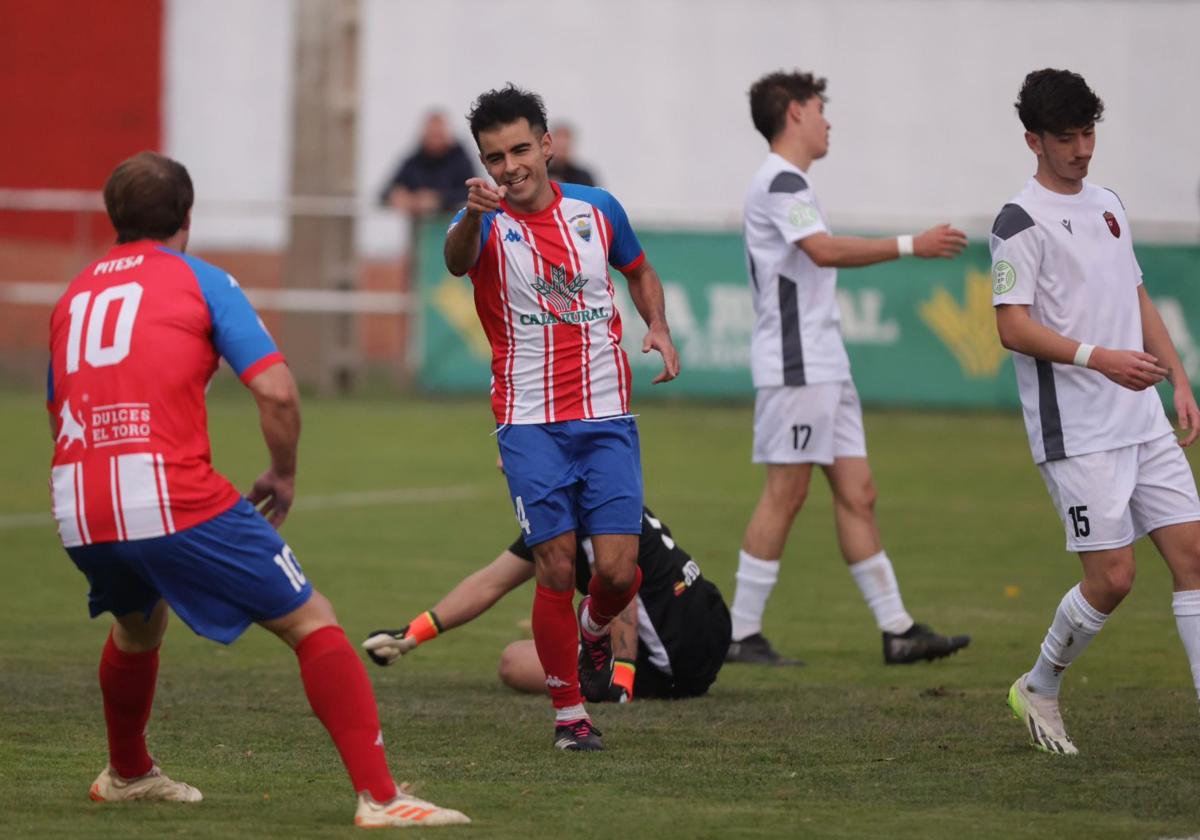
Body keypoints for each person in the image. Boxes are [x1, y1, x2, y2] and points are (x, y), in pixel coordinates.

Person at [47, 151, 468, 827]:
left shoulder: (73, 295)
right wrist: (284, 473)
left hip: (77, 501)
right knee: (312, 619)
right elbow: (276, 393)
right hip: (167, 493)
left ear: (113, 218)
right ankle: (383, 799)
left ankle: (127, 773)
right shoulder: (202, 280)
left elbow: (61, 404)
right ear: (187, 217)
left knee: (138, 622)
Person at [443, 84, 680, 751]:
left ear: (547, 146)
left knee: (614, 573)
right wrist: (468, 216)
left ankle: (595, 628)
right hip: (527, 422)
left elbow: (638, 270)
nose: (510, 165)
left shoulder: (597, 210)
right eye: (495, 157)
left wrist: (656, 323)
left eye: (520, 148)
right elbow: (456, 262)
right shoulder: (483, 222)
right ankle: (570, 716)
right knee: (552, 564)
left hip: (607, 417)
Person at [727, 70, 971, 667]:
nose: (827, 120)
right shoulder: (780, 180)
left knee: (859, 493)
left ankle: (898, 630)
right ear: (793, 113)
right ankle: (739, 632)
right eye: (819, 108)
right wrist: (913, 244)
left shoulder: (792, 182)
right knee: (786, 493)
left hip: (823, 364)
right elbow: (823, 250)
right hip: (797, 363)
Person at [992, 69, 1200, 755]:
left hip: (1141, 418)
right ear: (1033, 140)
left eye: (1088, 133)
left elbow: (1136, 297)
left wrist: (1179, 381)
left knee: (1194, 555)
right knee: (1113, 579)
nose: (1082, 149)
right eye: (1066, 137)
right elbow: (1012, 328)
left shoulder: (1108, 202)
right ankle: (1041, 684)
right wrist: (1100, 357)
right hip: (1077, 433)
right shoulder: (1018, 222)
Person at [363, 506, 731, 702]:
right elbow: (491, 581)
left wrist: (621, 680)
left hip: (673, 660)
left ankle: (624, 679)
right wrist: (411, 634)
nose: (503, 464)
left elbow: (621, 584)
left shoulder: (581, 513)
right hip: (711, 626)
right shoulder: (586, 494)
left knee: (513, 661)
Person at [379, 111, 477, 216]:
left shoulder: (460, 161)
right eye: (432, 135)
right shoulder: (414, 161)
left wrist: (439, 200)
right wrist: (398, 196)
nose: (435, 141)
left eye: (438, 135)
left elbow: (473, 192)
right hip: (419, 228)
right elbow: (384, 193)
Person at [547, 122, 598, 187]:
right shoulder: (543, 174)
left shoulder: (583, 177)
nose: (560, 153)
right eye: (558, 147)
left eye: (563, 148)